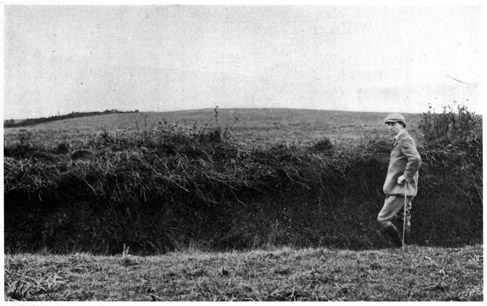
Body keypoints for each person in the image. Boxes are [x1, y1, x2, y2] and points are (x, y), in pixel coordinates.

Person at [378, 113, 422, 247]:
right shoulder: (400, 139)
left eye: (393, 124)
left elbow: (415, 159)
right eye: (388, 125)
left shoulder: (404, 139)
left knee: (382, 219)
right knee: (404, 216)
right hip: (402, 188)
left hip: (400, 188)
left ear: (402, 125)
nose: (390, 128)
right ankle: (405, 247)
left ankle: (398, 246)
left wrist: (406, 176)